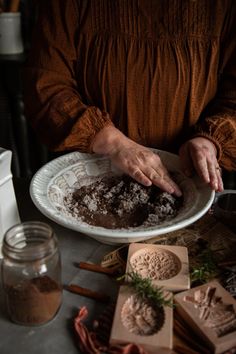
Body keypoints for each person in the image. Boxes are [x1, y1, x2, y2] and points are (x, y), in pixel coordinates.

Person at [23, 0, 236, 196]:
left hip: (189, 179)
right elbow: (45, 85)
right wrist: (113, 143)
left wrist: (210, 140)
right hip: (92, 174)